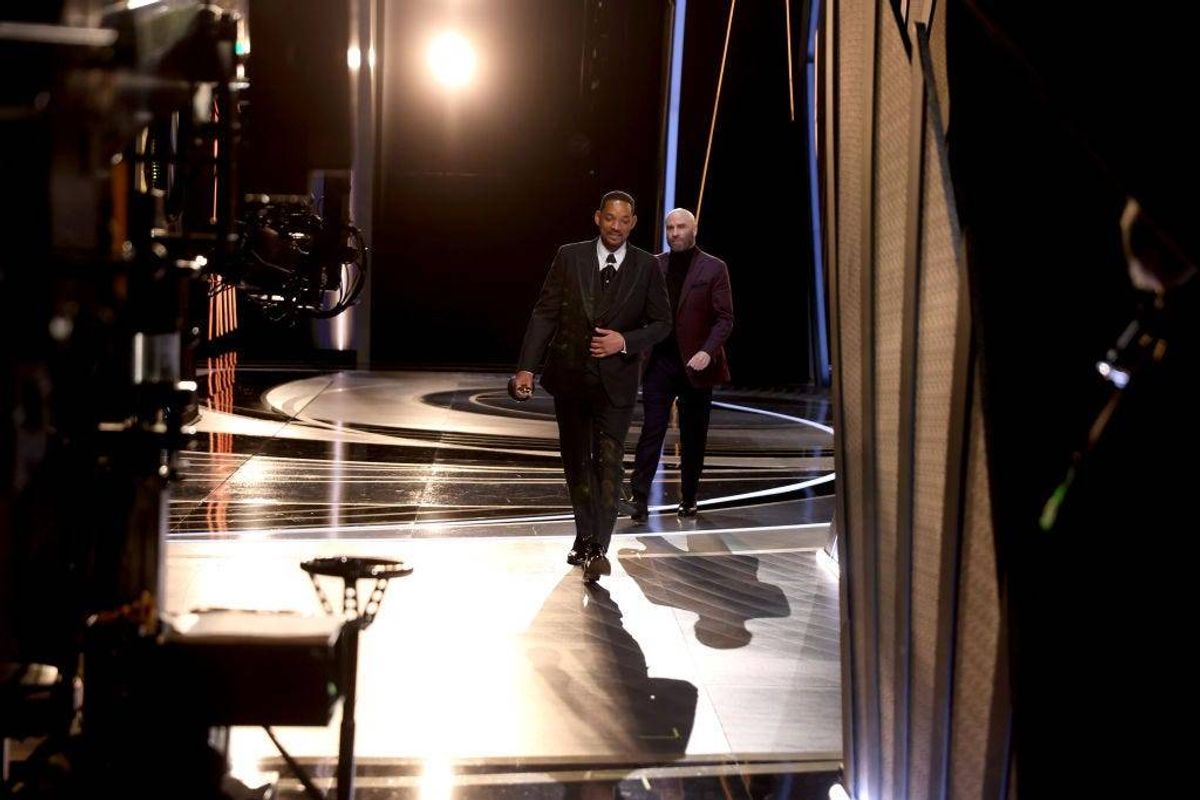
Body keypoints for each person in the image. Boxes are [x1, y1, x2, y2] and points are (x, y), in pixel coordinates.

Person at [512, 191, 671, 581]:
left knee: (610, 466)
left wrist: (625, 341)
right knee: (578, 465)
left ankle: (599, 546)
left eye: (624, 220)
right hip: (570, 380)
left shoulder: (647, 266)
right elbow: (546, 313)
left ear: (633, 223)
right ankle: (584, 537)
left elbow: (662, 323)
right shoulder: (570, 256)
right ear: (598, 218)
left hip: (616, 384)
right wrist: (526, 369)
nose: (617, 227)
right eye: (610, 218)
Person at [626, 208, 733, 520]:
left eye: (681, 227)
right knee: (652, 430)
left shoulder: (714, 268)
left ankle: (688, 497)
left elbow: (725, 319)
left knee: (693, 433)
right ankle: (640, 498)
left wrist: (707, 352)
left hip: (697, 366)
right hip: (659, 362)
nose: (674, 233)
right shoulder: (654, 265)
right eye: (670, 227)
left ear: (694, 229)